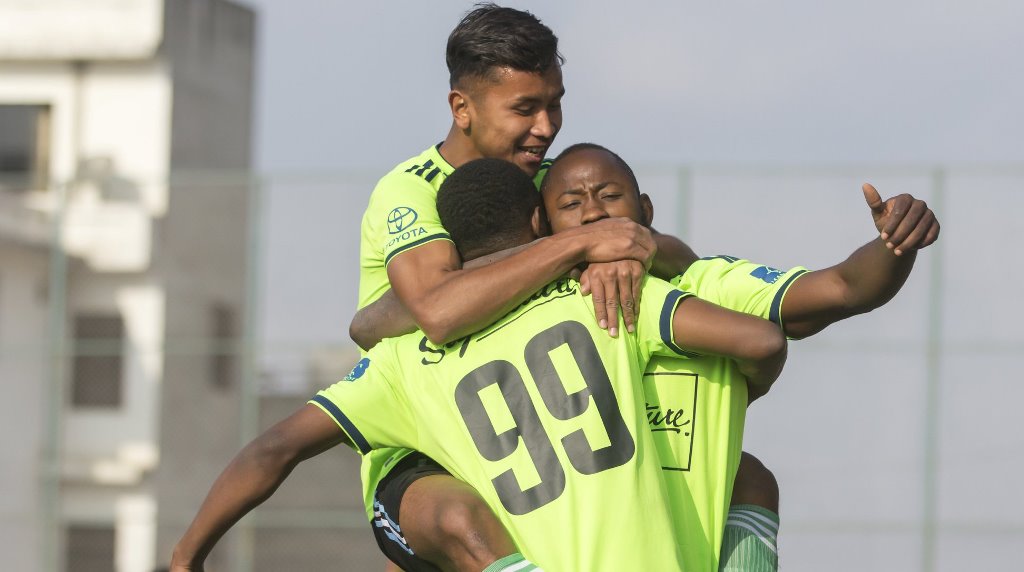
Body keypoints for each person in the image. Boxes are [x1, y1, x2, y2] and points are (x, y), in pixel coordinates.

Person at [170, 158, 789, 572]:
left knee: (443, 524)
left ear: (448, 247)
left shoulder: (403, 358)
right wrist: (735, 396)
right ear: (538, 222)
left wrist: (187, 557)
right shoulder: (606, 294)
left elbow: (273, 449)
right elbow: (763, 340)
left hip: (487, 531)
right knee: (749, 476)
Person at [354, 143, 939, 571]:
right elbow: (381, 322)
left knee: (750, 477)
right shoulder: (525, 303)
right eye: (571, 205)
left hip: (674, 535)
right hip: (564, 537)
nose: (593, 213)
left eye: (610, 197)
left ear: (647, 209)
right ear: (544, 228)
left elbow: (842, 288)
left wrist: (895, 243)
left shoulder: (696, 283)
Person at [353, 5, 696, 571]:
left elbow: (658, 249)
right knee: (461, 523)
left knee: (743, 475)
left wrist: (628, 252)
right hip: (430, 451)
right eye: (524, 108)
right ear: (461, 108)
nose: (546, 125)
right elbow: (439, 311)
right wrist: (578, 246)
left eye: (554, 103)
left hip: (548, 433)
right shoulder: (410, 191)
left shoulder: (557, 180)